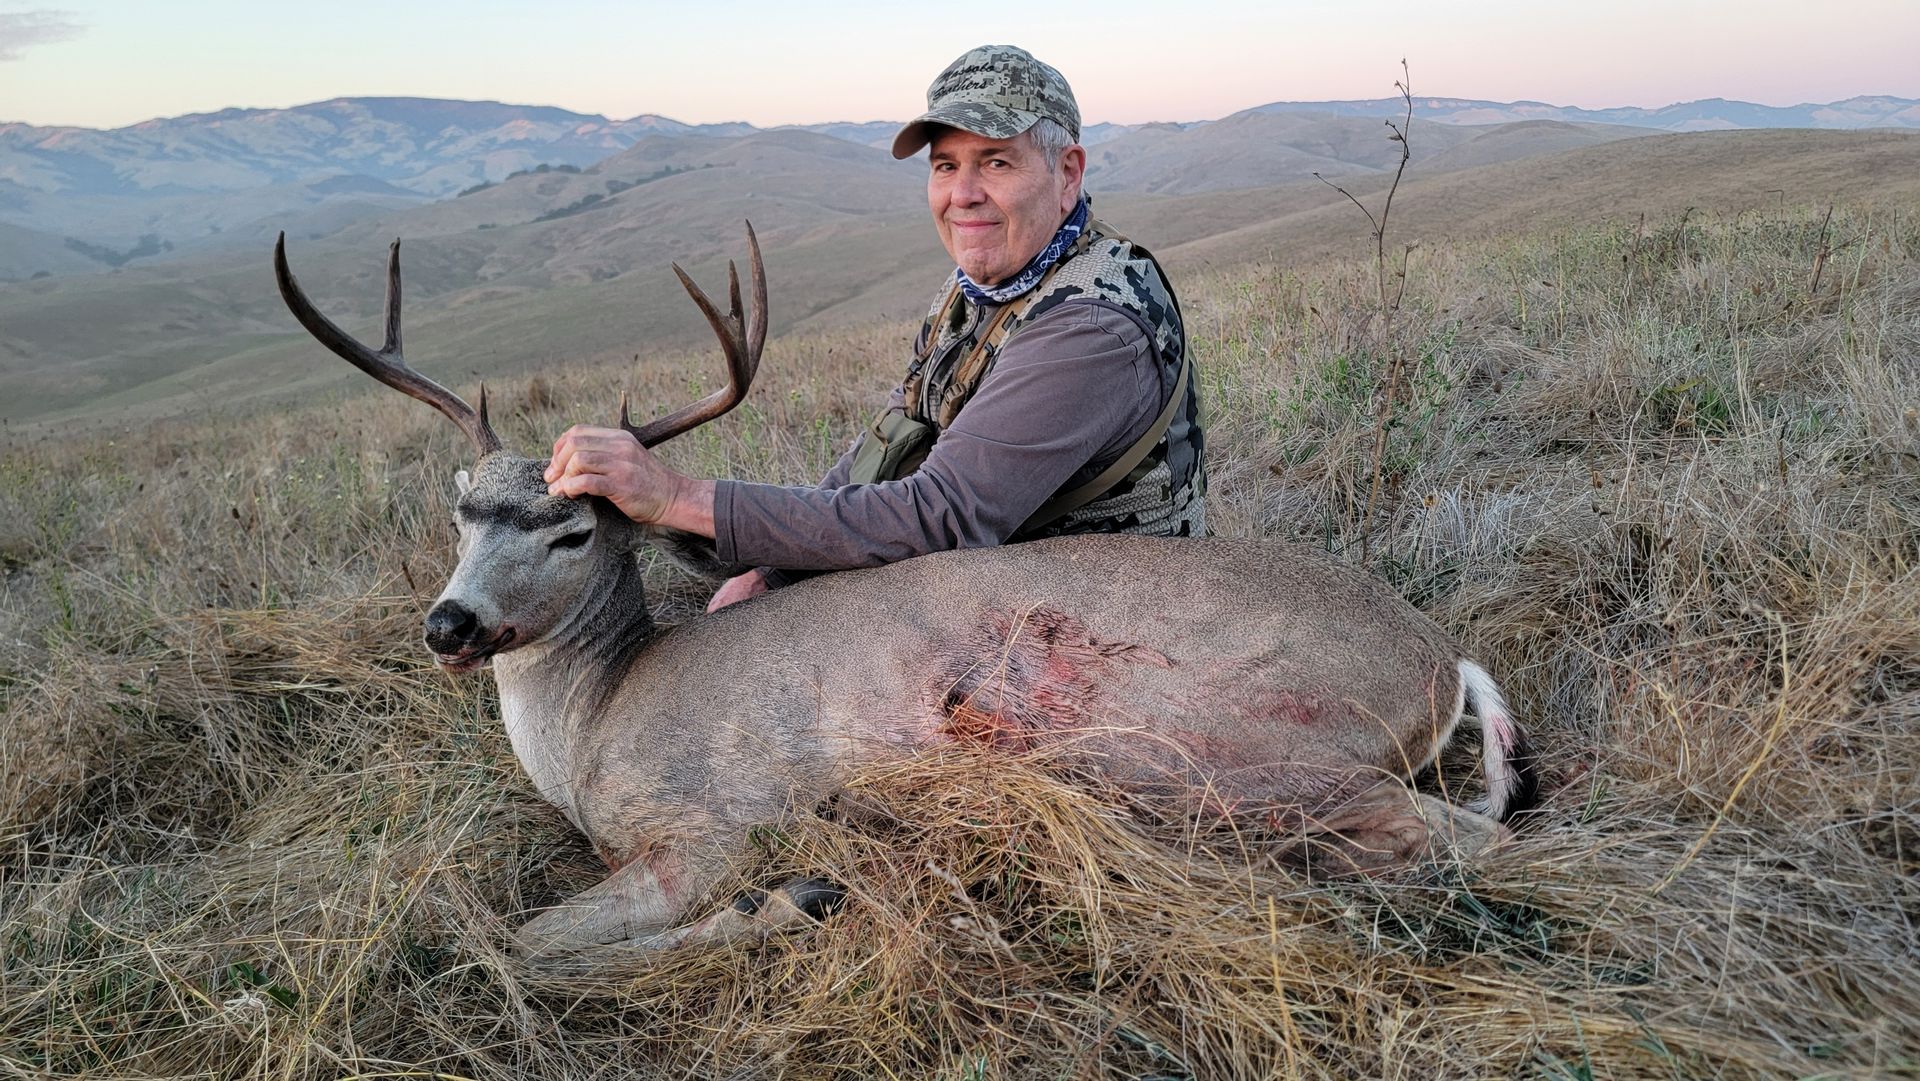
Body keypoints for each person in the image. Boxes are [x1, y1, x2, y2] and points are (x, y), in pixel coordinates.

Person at [544, 45, 1205, 610]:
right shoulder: (981, 284)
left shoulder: (1090, 326)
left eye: (996, 161)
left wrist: (676, 496)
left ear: (1068, 174)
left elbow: (942, 514)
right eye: (946, 165)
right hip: (1011, 576)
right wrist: (774, 568)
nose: (963, 192)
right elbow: (892, 441)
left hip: (1115, 620)